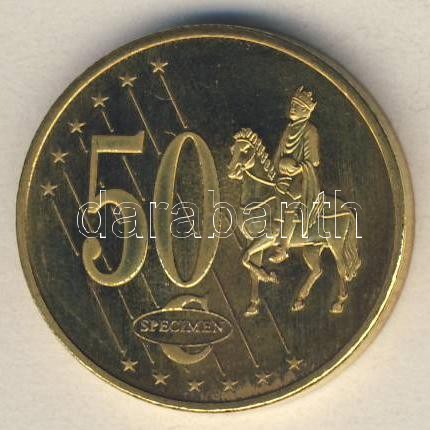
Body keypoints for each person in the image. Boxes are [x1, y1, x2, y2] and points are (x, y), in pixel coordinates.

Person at [269, 86, 321, 264]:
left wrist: (296, 168)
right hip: (282, 177)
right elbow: (278, 154)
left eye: (297, 106)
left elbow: (313, 161)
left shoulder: (310, 131)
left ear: (306, 111)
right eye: (292, 104)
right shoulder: (289, 129)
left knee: (288, 201)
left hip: (301, 180)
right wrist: (279, 166)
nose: (292, 108)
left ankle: (283, 247)